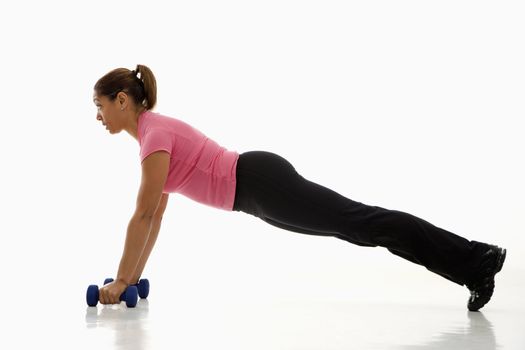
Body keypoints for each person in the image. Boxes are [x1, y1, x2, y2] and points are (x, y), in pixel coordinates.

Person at [92, 64, 506, 311]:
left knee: (362, 222)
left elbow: (143, 214)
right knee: (360, 227)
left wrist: (121, 282)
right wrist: (131, 279)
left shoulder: (154, 138)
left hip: (260, 183)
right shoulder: (153, 137)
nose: (99, 116)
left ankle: (478, 257)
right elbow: (157, 215)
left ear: (123, 100)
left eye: (101, 105)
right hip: (257, 192)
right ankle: (473, 268)